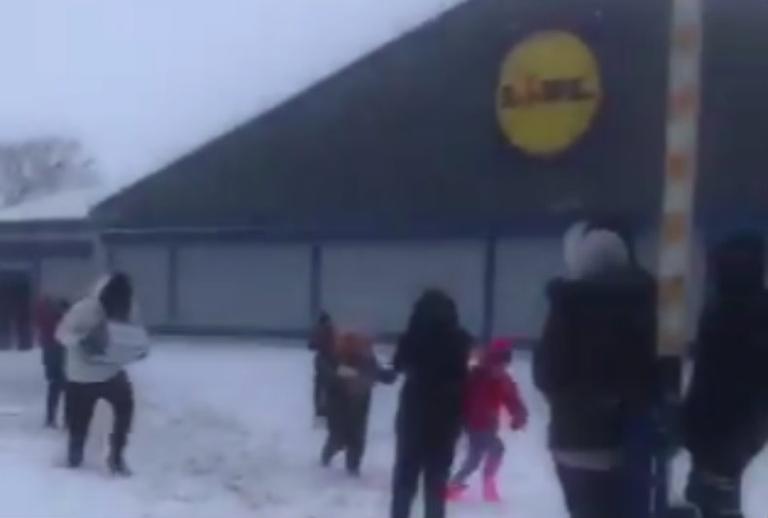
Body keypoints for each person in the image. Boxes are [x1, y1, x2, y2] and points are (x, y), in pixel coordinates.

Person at [534, 225, 656, 518]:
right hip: (623, 441)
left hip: (572, 440)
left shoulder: (566, 307)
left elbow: (546, 375)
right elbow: (650, 376)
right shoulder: (640, 306)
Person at [683, 234, 768, 518]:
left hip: (714, 432)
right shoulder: (756, 314)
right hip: (743, 434)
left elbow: (705, 379)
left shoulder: (715, 314)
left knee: (715, 500)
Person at [56, 273, 150, 475]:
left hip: (110, 372)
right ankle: (75, 455)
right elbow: (61, 333)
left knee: (125, 406)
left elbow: (136, 335)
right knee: (79, 420)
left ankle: (116, 456)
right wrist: (83, 340)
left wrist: (139, 349)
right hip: (80, 375)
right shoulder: (85, 309)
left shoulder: (129, 309)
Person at [390, 289, 472, 518]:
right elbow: (464, 377)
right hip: (446, 417)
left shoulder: (411, 338)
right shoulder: (460, 340)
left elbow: (398, 365)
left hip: (413, 414)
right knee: (437, 481)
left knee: (405, 478)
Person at [445, 337, 528, 502]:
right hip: (475, 424)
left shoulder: (503, 379)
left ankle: (455, 484)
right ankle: (487, 482)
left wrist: (519, 416)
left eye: (504, 365)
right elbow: (466, 399)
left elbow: (512, 399)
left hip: (489, 424)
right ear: (490, 362)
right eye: (499, 364)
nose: (501, 368)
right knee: (496, 449)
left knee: (475, 457)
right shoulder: (477, 377)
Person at [320, 331, 395, 475]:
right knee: (338, 435)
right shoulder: (338, 353)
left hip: (360, 403)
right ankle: (327, 457)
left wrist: (387, 376)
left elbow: (375, 372)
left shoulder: (367, 356)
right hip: (340, 401)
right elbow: (333, 370)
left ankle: (353, 468)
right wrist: (358, 376)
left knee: (357, 437)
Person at [35, 296, 69, 428]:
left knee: (54, 388)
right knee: (67, 389)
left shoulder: (48, 320)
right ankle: (66, 420)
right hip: (61, 356)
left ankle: (51, 418)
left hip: (51, 356)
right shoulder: (62, 320)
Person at [308, 312, 336, 424]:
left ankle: (320, 413)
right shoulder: (332, 330)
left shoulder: (318, 330)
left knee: (320, 387)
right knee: (329, 386)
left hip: (322, 361)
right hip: (331, 360)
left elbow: (311, 345)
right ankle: (327, 412)